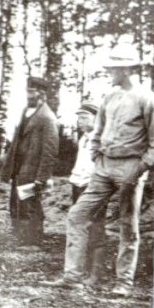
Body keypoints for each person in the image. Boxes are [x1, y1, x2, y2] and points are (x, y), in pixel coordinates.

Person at [51, 44, 154, 297]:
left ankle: (124, 282)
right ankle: (72, 276)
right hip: (103, 167)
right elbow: (98, 131)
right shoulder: (110, 97)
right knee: (77, 215)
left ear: (127, 70)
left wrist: (141, 167)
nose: (110, 72)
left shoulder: (148, 98)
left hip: (131, 166)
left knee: (128, 225)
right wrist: (96, 155)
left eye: (114, 68)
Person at [0, 75, 59, 246]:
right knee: (16, 203)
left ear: (42, 94)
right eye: (27, 91)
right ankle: (19, 238)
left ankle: (33, 241)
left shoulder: (47, 117)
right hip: (19, 168)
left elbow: (50, 151)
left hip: (32, 170)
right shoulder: (25, 111)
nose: (28, 96)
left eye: (32, 92)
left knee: (31, 206)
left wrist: (42, 177)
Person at [66, 101, 107, 288]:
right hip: (78, 184)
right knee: (78, 227)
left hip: (95, 186)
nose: (80, 121)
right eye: (79, 117)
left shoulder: (102, 138)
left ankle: (95, 275)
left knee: (95, 228)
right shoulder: (83, 139)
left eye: (85, 117)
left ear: (97, 118)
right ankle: (77, 271)